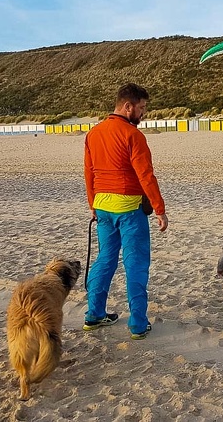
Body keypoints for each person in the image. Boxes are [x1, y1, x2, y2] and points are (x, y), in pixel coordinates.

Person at [83, 83, 169, 340]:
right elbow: (146, 175)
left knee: (105, 260)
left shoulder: (93, 133)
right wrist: (159, 209)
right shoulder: (133, 136)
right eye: (141, 109)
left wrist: (93, 205)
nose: (143, 114)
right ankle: (138, 325)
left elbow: (89, 172)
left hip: (102, 208)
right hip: (129, 208)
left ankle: (94, 314)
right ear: (127, 106)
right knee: (136, 264)